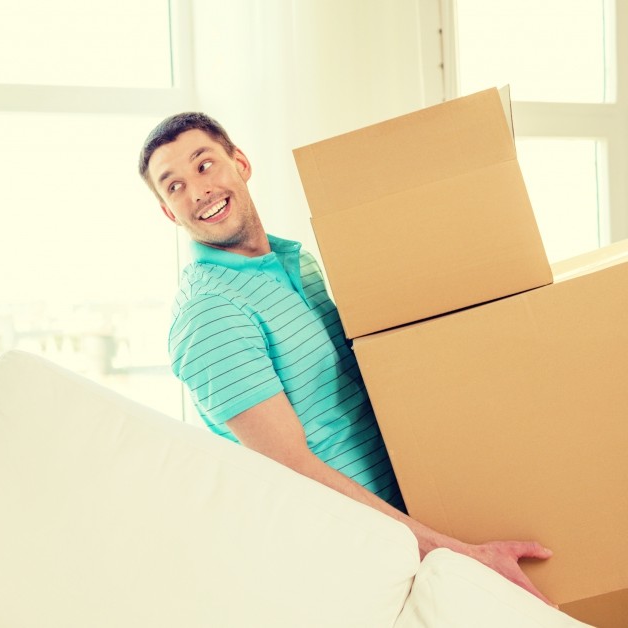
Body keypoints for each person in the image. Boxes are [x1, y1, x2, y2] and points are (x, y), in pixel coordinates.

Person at [139, 111, 553, 604]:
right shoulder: (209, 314)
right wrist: (456, 556)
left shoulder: (296, 261)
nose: (198, 190)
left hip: (415, 526)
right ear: (168, 212)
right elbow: (293, 469)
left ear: (240, 163)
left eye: (204, 165)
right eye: (175, 186)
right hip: (362, 565)